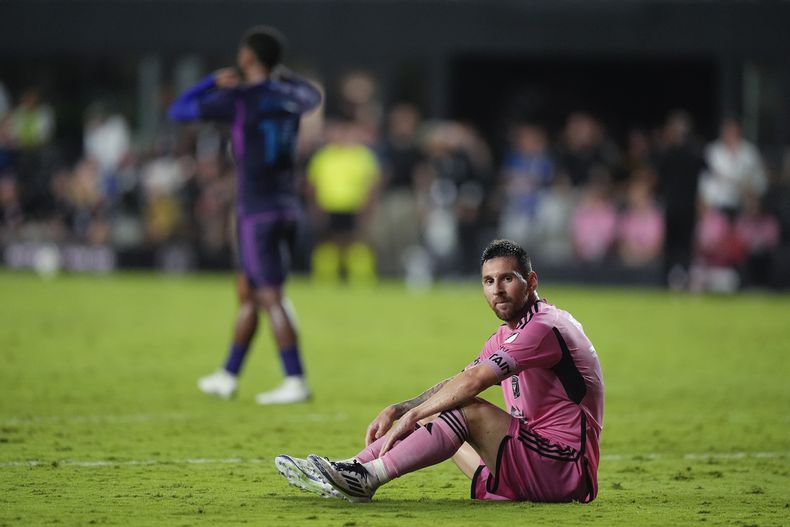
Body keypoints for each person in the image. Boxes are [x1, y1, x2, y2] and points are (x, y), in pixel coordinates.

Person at [275, 239, 604, 503]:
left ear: (531, 281)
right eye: (489, 281)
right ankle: (352, 466)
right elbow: (459, 382)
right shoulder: (508, 334)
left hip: (565, 469)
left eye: (507, 278)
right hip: (529, 459)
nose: (497, 290)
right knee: (443, 404)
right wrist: (400, 409)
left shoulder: (544, 327)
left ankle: (369, 477)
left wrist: (414, 414)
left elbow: (473, 382)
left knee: (465, 408)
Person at [168, 26, 321, 404]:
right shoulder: (290, 96)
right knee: (249, 292)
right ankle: (228, 374)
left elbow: (178, 109)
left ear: (248, 58)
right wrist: (282, 74)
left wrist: (209, 82)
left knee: (269, 295)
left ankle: (295, 379)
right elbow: (313, 94)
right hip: (287, 206)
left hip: (256, 210)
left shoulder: (239, 98)